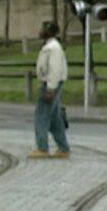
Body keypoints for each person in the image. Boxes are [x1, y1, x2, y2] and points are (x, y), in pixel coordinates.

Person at [29, 21, 71, 159]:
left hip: (50, 84)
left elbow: (55, 69)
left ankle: (42, 148)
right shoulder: (51, 47)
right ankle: (63, 148)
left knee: (41, 115)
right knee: (54, 119)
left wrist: (50, 88)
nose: (39, 31)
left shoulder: (53, 49)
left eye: (42, 28)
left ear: (48, 31)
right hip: (52, 84)